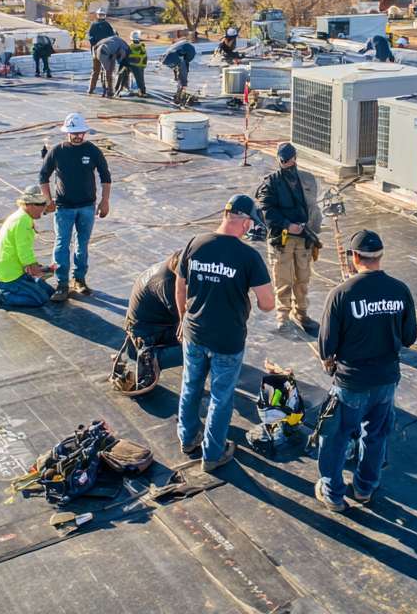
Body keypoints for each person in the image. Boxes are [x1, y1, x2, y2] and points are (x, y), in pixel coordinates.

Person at [313, 229, 417, 511]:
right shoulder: (400, 290)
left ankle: (333, 493)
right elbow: (410, 338)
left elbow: (326, 345)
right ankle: (364, 488)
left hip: (351, 382)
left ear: (354, 257)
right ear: (380, 257)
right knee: (376, 436)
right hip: (386, 381)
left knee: (335, 437)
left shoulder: (341, 294)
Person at [176, 195, 275, 471]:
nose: (249, 229)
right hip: (227, 340)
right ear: (244, 222)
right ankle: (212, 454)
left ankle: (187, 438)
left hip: (194, 332)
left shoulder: (195, 244)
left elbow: (180, 284)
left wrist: (182, 318)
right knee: (221, 396)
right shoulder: (248, 257)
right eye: (250, 224)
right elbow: (268, 304)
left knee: (190, 386)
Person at [39, 112, 112, 302]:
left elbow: (106, 177)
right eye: (74, 133)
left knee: (82, 244)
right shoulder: (57, 151)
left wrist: (105, 201)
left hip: (87, 207)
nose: (78, 136)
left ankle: (79, 279)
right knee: (62, 245)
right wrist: (48, 201)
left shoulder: (93, 151)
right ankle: (62, 284)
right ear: (67, 133)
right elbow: (43, 176)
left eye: (81, 132)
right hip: (64, 208)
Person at [255, 142, 321, 335]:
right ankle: (283, 317)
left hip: (303, 238)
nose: (286, 163)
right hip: (281, 238)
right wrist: (286, 224)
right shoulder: (271, 183)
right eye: (282, 160)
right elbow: (266, 211)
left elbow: (313, 207)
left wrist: (312, 231)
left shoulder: (306, 180)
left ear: (294, 158)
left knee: (302, 278)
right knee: (282, 279)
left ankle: (301, 313)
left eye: (288, 159)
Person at [0, 186, 57, 309]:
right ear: (29, 205)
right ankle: (1, 297)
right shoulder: (22, 221)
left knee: (50, 292)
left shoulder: (22, 216)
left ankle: (28, 286)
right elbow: (23, 249)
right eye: (40, 204)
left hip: (12, 267)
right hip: (9, 273)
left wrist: (40, 268)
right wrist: (34, 267)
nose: (43, 208)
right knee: (40, 299)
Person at [125, 251, 181, 350]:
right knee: (203, 341)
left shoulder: (169, 267)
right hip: (149, 333)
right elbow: (186, 318)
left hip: (145, 324)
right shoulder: (167, 283)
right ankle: (151, 357)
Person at [87, 8, 115, 87]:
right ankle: (91, 88)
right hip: (97, 49)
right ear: (98, 15)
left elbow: (112, 36)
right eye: (100, 15)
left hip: (106, 49)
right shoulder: (94, 25)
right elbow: (90, 37)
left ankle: (109, 89)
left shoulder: (107, 25)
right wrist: (96, 44)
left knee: (105, 71)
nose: (101, 16)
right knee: (97, 70)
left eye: (102, 15)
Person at [116, 30, 148, 97]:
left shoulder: (130, 47)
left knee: (123, 75)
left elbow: (125, 57)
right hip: (140, 65)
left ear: (131, 38)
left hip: (131, 65)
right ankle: (142, 92)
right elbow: (145, 57)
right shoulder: (143, 47)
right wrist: (143, 66)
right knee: (140, 80)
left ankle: (120, 89)